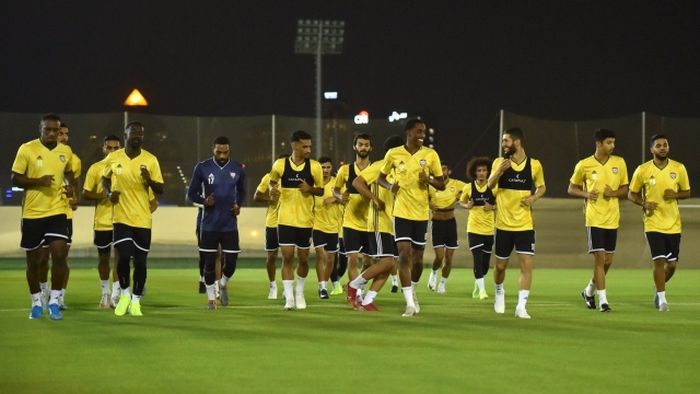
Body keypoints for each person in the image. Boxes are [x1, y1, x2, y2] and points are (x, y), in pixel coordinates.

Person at [11, 113, 76, 320]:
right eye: (47, 129)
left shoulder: (65, 151)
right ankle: (36, 301)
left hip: (57, 211)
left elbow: (71, 175)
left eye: (55, 130)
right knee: (35, 261)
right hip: (32, 213)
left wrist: (72, 192)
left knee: (59, 254)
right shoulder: (27, 149)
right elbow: (16, 178)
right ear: (40, 130)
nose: (52, 133)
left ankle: (55, 300)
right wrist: (39, 181)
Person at [378, 118, 445, 317]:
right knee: (403, 254)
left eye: (423, 131)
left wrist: (429, 180)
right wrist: (391, 187)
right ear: (408, 132)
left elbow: (441, 184)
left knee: (417, 259)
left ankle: (413, 291)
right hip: (401, 212)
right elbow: (380, 178)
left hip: (421, 213)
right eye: (418, 131)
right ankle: (408, 303)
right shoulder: (393, 153)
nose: (422, 135)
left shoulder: (431, 155)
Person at [103, 121, 164, 317]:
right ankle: (125, 295)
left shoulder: (151, 160)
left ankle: (136, 301)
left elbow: (160, 189)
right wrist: (108, 192)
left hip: (143, 219)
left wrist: (148, 179)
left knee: (140, 262)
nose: (138, 134)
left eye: (141, 132)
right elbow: (104, 178)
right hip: (120, 217)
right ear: (126, 134)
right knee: (122, 259)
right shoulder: (113, 158)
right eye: (134, 131)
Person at [487, 127, 546, 319]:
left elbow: (542, 187)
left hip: (525, 225)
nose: (504, 145)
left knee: (526, 265)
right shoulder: (499, 162)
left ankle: (521, 306)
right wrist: (499, 171)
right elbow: (489, 185)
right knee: (500, 266)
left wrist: (534, 198)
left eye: (506, 141)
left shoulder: (534, 165)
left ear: (517, 142)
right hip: (503, 225)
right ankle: (499, 291)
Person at [568, 129, 628, 312]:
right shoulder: (584, 165)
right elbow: (571, 188)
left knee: (608, 261)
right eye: (609, 142)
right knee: (600, 259)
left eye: (613, 143)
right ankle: (603, 301)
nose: (613, 146)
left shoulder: (619, 163)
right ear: (599, 144)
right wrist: (586, 194)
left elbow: (625, 188)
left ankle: (588, 291)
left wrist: (614, 193)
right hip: (594, 219)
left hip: (613, 218)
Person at [628, 134, 690, 312]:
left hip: (673, 224)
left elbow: (686, 192)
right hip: (652, 223)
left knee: (672, 265)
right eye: (658, 146)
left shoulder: (679, 168)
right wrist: (644, 203)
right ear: (652, 149)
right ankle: (662, 300)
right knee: (659, 260)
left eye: (665, 145)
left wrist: (676, 195)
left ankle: (658, 288)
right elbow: (632, 194)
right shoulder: (643, 170)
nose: (662, 148)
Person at [347, 135, 405, 311]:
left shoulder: (402, 169)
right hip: (380, 222)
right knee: (387, 263)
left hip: (394, 223)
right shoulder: (380, 166)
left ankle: (367, 301)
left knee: (390, 264)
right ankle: (354, 285)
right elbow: (357, 182)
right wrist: (374, 198)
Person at [187, 136, 246, 309]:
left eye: (225, 152)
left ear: (229, 150)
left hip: (229, 224)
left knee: (232, 262)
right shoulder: (202, 167)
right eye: (218, 151)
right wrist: (204, 200)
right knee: (209, 263)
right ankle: (211, 298)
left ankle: (223, 283)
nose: (222, 155)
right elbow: (191, 193)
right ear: (212, 149)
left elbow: (242, 191)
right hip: (209, 224)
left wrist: (238, 204)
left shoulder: (237, 168)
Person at [268, 130, 324, 310]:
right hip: (284, 219)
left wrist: (310, 188)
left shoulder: (314, 167)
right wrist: (273, 189)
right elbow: (272, 181)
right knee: (287, 257)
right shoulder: (280, 164)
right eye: (304, 146)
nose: (308, 149)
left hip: (305, 220)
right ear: (294, 146)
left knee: (303, 258)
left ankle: (300, 291)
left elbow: (321, 190)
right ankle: (290, 298)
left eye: (309, 146)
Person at [37, 122, 81, 311]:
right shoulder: (39, 153)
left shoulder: (73, 158)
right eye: (59, 132)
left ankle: (60, 296)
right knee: (41, 258)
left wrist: (74, 199)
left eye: (65, 133)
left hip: (63, 214)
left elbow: (74, 185)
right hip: (40, 213)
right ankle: (43, 292)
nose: (62, 136)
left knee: (61, 257)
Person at [82, 135, 123, 308]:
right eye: (109, 147)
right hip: (102, 221)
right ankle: (105, 292)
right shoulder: (95, 168)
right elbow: (85, 193)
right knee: (104, 258)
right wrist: (105, 195)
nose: (112, 151)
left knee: (120, 259)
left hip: (122, 220)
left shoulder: (125, 167)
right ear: (103, 148)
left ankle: (115, 294)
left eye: (116, 148)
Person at [333, 134, 373, 295]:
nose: (363, 147)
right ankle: (355, 294)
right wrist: (339, 197)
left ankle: (357, 286)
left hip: (370, 223)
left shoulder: (375, 169)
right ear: (354, 147)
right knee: (352, 258)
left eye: (366, 145)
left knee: (369, 262)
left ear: (371, 148)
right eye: (360, 144)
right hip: (350, 222)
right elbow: (335, 190)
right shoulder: (345, 170)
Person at [459, 157, 496, 300]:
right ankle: (482, 291)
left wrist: (491, 207)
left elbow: (499, 205)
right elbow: (461, 201)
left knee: (485, 264)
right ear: (474, 172)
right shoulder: (469, 187)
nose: (481, 173)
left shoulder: (493, 187)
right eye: (479, 170)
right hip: (473, 228)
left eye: (484, 170)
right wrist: (467, 206)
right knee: (477, 259)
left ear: (488, 172)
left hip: (489, 230)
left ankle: (477, 285)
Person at [427, 162, 466, 293]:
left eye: (444, 169)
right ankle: (433, 273)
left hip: (450, 222)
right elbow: (420, 197)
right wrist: (429, 204)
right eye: (439, 170)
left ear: (448, 171)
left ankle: (442, 283)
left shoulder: (457, 184)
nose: (442, 172)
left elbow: (471, 190)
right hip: (437, 222)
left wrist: (462, 196)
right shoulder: (431, 185)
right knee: (439, 256)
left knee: (449, 258)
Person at [253, 154, 288, 299]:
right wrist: (270, 199)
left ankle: (287, 287)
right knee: (271, 257)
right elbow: (256, 196)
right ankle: (273, 285)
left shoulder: (295, 180)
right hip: (272, 223)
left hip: (290, 222)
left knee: (289, 256)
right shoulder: (268, 178)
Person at [312, 157, 344, 299]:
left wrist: (335, 198)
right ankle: (323, 287)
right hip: (316, 224)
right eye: (322, 167)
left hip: (333, 226)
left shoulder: (336, 183)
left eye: (327, 167)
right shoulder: (314, 183)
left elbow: (346, 197)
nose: (325, 170)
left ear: (331, 168)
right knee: (320, 254)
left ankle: (325, 284)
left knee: (331, 259)